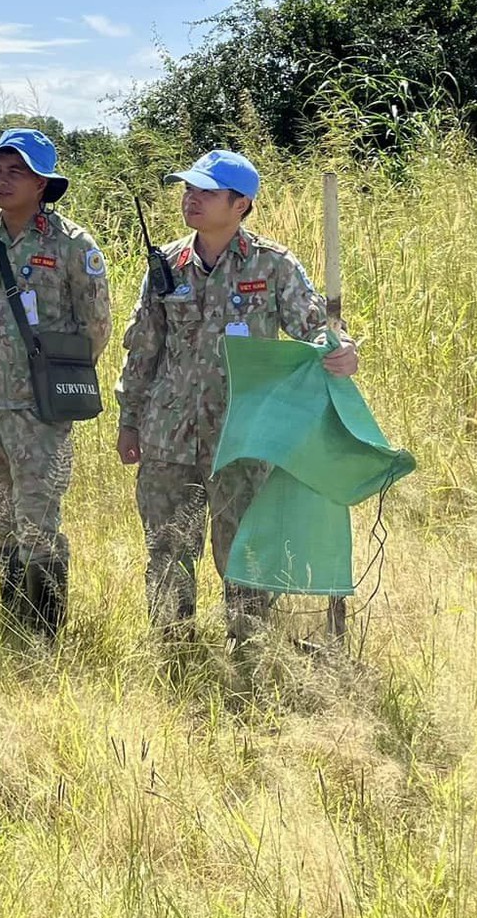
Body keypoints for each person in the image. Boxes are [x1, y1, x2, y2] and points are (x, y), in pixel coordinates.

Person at [114, 149, 360, 651]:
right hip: (169, 437)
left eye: (206, 191)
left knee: (244, 551)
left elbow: (316, 327)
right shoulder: (167, 265)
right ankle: (172, 652)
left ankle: (248, 654)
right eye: (189, 189)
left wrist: (341, 349)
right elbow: (143, 348)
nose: (191, 198)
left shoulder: (272, 265)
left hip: (242, 436)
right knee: (167, 549)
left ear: (240, 203)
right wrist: (129, 419)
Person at [0, 128, 112, 637]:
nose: (1, 181)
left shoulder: (71, 245)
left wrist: (55, 385)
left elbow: (96, 326)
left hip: (38, 410)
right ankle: (12, 620)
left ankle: (44, 636)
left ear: (43, 184)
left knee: (37, 521)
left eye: (16, 171)